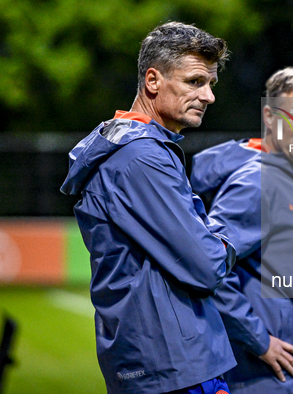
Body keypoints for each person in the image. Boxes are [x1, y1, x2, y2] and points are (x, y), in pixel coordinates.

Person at [60, 22, 237, 394]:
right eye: (194, 82)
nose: (208, 96)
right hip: (174, 363)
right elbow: (206, 265)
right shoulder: (142, 157)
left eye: (210, 84)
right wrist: (228, 242)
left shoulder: (128, 145)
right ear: (153, 81)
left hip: (152, 359)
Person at [191, 66, 293, 394]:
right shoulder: (258, 182)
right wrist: (259, 340)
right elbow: (206, 267)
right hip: (274, 382)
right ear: (270, 118)